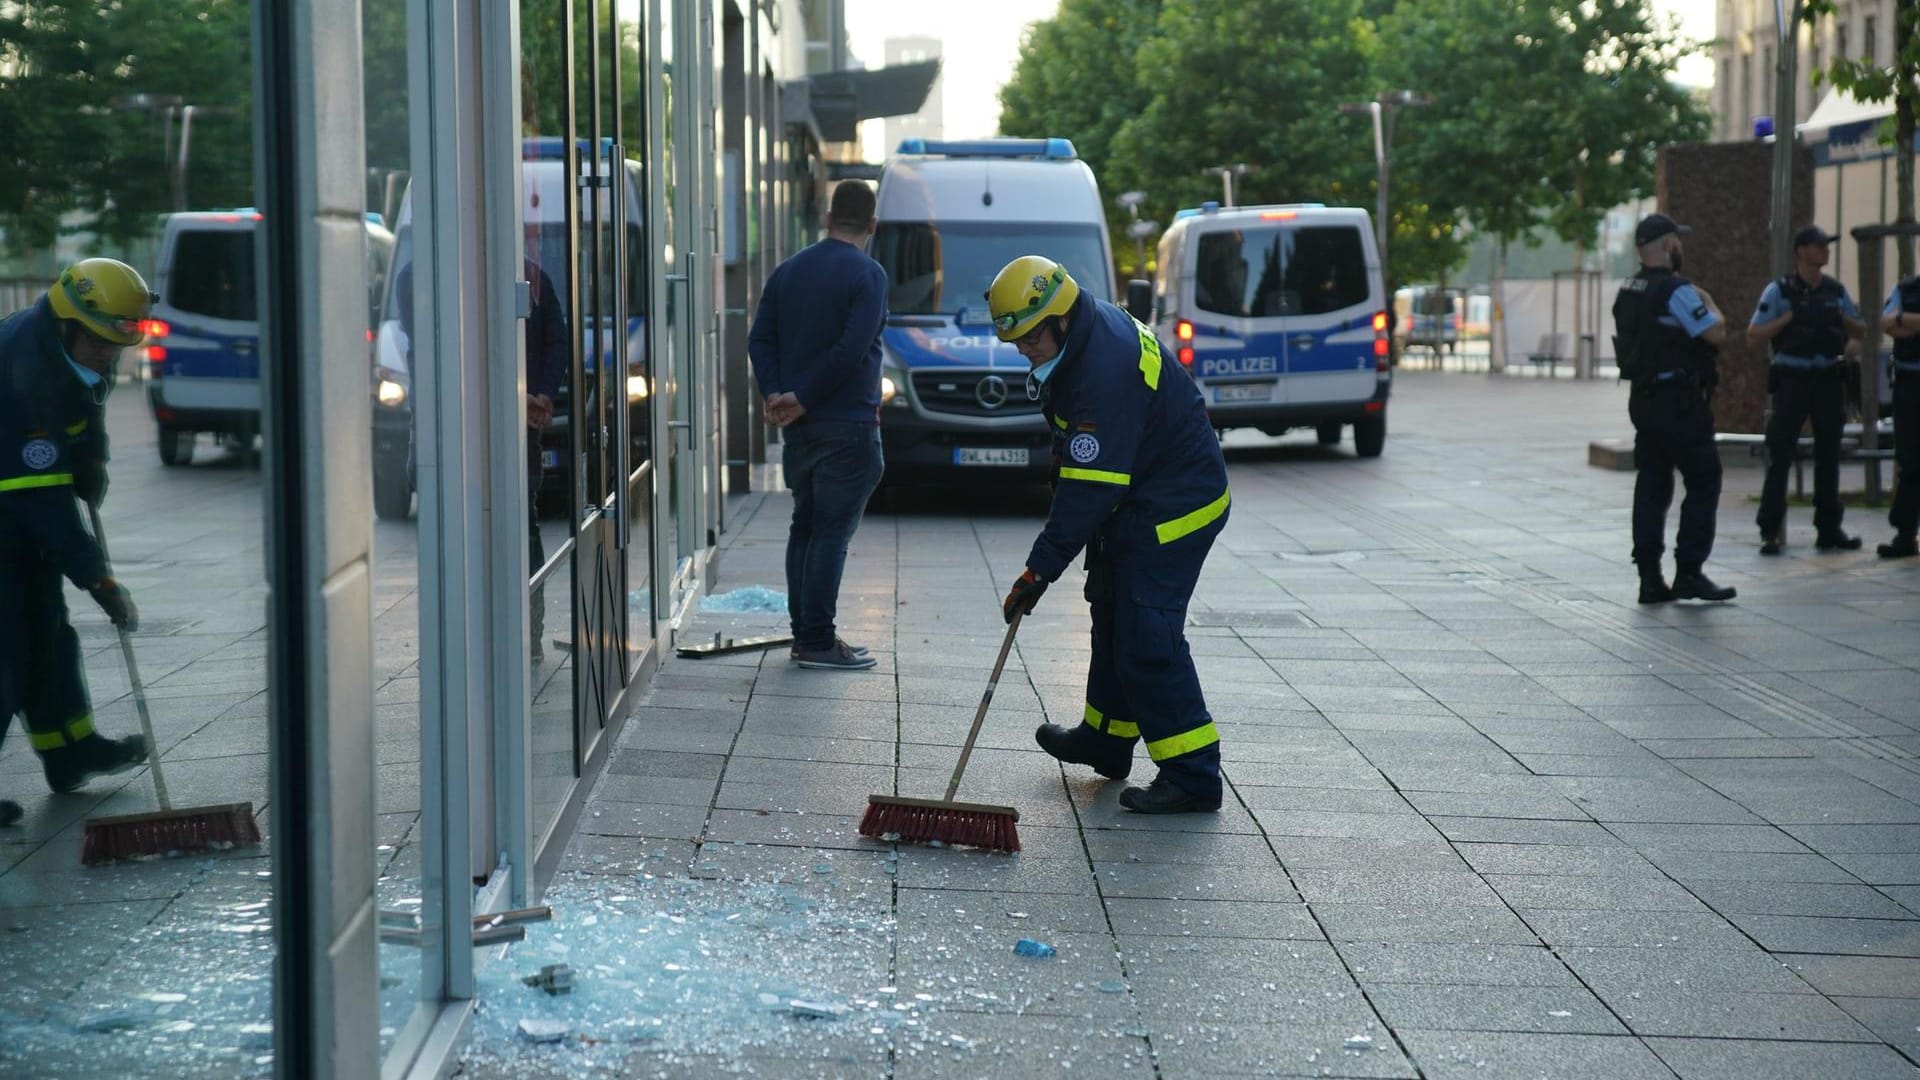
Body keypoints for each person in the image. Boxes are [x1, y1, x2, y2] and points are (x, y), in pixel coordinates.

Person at [990, 254, 1231, 814]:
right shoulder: (1084, 333)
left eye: (1030, 337)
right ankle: (1106, 738)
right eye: (1016, 341)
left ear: (1060, 317)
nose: (1024, 350)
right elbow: (1079, 448)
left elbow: (1089, 491)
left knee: (1147, 633)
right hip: (1138, 490)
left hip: (1176, 504)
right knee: (1112, 611)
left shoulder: (1104, 369)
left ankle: (1193, 776)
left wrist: (1039, 570)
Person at [0, 259, 154, 827]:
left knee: (46, 636)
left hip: (15, 505)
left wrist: (91, 457)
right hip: (12, 500)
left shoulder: (82, 350)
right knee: (5, 651)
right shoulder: (22, 368)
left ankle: (71, 750)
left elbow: (85, 413)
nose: (108, 353)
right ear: (67, 322)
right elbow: (42, 503)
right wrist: (99, 579)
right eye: (100, 341)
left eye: (119, 342)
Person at [747, 179, 888, 671]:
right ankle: (818, 641)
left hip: (799, 431)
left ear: (827, 220)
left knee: (804, 528)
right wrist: (803, 398)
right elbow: (851, 351)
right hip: (847, 425)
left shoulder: (789, 271)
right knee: (830, 534)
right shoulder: (868, 275)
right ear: (872, 225)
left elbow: (760, 339)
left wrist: (777, 394)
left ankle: (805, 635)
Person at [1610, 213, 1737, 604]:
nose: (1681, 246)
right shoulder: (1677, 290)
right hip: (1678, 403)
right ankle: (1690, 572)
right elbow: (1715, 332)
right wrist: (1709, 300)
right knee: (1704, 478)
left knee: (1652, 485)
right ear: (1667, 246)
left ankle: (1650, 578)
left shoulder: (1628, 288)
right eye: (1677, 240)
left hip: (1643, 401)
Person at [1749, 225, 1868, 554]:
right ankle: (1769, 531)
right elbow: (1754, 334)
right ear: (1801, 251)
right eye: (1819, 246)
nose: (1825, 251)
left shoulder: (1835, 290)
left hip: (1828, 379)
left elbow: (1861, 328)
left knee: (1828, 455)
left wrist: (1848, 327)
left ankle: (1829, 529)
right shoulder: (1779, 290)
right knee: (1781, 455)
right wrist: (1786, 320)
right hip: (1792, 380)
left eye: (1827, 245)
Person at [522, 258, 566, 660]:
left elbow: (557, 341)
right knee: (526, 526)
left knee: (526, 525)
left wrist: (541, 393)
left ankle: (531, 633)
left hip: (523, 427)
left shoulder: (534, 276)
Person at [1878, 272, 1920, 559]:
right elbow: (1885, 324)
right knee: (1910, 461)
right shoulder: (1906, 288)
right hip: (1909, 385)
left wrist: (1905, 319)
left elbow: (1897, 322)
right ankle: (1906, 535)